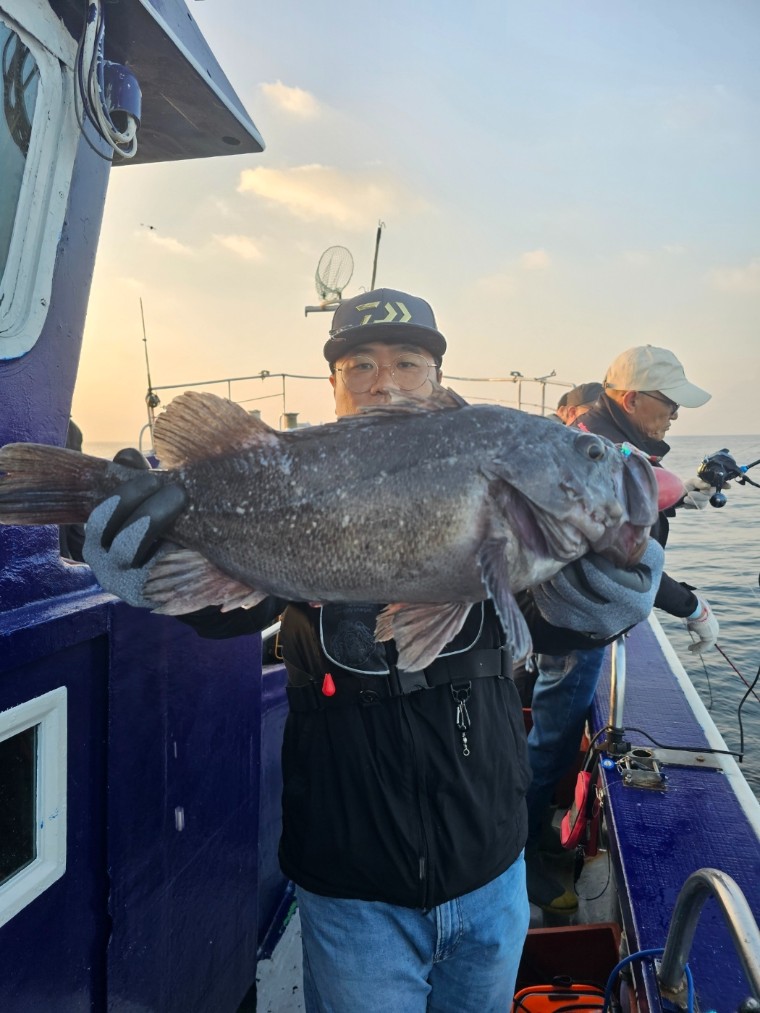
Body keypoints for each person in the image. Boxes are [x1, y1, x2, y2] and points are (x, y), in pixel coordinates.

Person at [78, 290, 663, 1013]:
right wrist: (140, 553)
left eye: (407, 362)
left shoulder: (512, 499)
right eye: (359, 365)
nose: (383, 382)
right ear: (333, 385)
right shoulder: (292, 471)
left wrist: (616, 585)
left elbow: (562, 623)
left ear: (438, 377)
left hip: (490, 868)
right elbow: (229, 610)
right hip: (351, 886)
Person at [524, 344, 719, 914]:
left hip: (562, 620)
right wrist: (691, 606)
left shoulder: (603, 439)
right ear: (631, 399)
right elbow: (623, 561)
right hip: (569, 627)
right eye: (668, 403)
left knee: (555, 737)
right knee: (551, 744)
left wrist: (679, 496)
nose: (675, 415)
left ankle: (527, 834)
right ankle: (521, 854)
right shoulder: (596, 457)